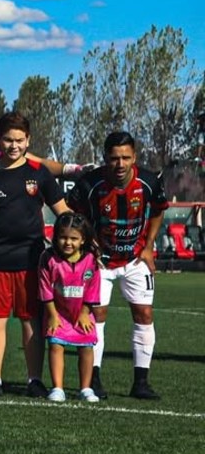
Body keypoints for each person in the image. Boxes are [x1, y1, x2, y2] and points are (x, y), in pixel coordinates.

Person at [0, 112, 69, 398]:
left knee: (30, 319)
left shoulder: (39, 173)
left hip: (32, 260)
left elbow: (63, 212)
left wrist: (85, 239)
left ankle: (34, 379)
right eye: (9, 140)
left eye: (20, 140)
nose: (14, 146)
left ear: (28, 140)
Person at [67, 131, 167, 400]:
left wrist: (148, 247)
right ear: (105, 158)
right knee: (96, 317)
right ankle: (94, 380)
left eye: (125, 157)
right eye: (114, 158)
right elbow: (73, 213)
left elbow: (159, 210)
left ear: (134, 157)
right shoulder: (89, 184)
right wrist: (87, 243)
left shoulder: (149, 181)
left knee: (144, 314)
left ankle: (141, 383)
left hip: (136, 260)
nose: (120, 164)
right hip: (100, 262)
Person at [39, 212, 102, 403]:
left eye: (74, 239)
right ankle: (58, 388)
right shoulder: (48, 258)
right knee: (55, 345)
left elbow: (93, 289)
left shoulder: (91, 260)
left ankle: (86, 388)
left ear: (83, 240)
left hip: (82, 313)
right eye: (63, 237)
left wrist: (84, 313)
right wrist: (52, 315)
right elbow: (45, 289)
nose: (68, 242)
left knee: (86, 347)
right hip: (57, 313)